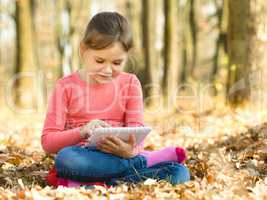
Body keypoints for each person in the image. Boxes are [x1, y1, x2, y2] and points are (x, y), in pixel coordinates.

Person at [41, 11, 190, 188]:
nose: (107, 70)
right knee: (66, 159)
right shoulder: (65, 86)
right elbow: (48, 142)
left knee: (180, 173)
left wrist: (130, 152)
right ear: (83, 49)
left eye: (117, 63)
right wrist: (82, 131)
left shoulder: (130, 83)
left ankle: (91, 183)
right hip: (84, 158)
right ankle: (144, 163)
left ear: (127, 57)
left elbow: (137, 132)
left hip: (119, 156)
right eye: (99, 60)